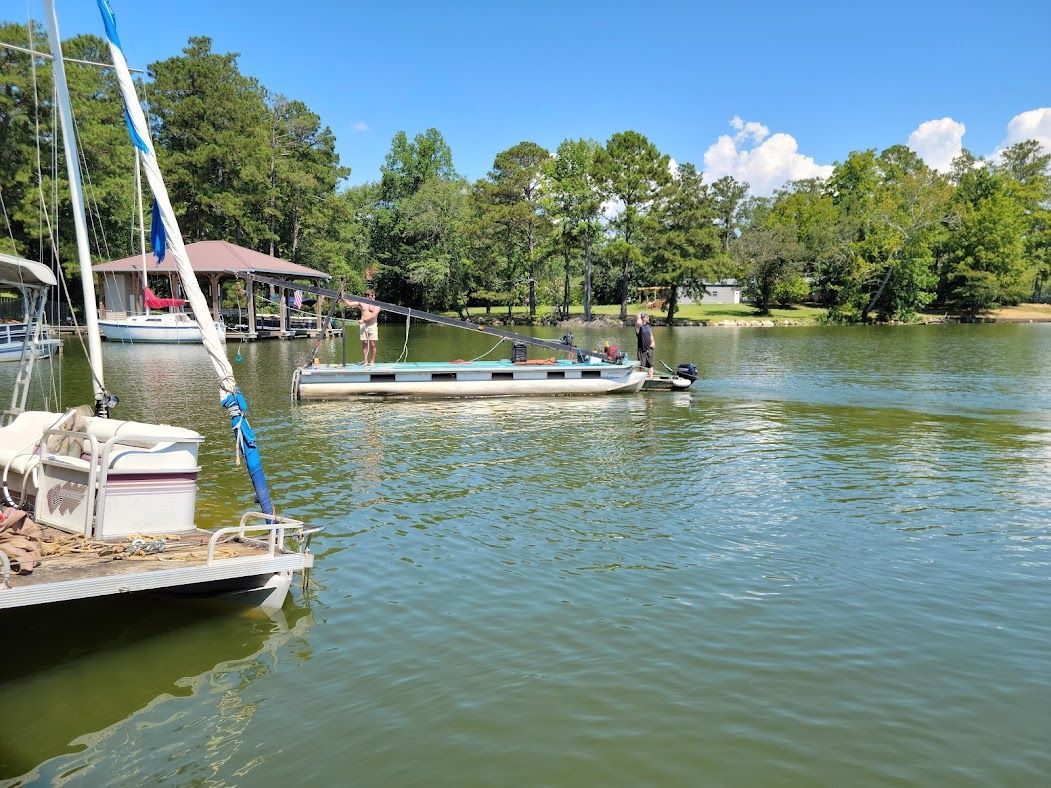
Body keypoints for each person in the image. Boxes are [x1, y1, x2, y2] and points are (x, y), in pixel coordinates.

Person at [343, 290, 381, 365]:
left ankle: (372, 361)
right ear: (367, 296)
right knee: (364, 343)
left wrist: (364, 320)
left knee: (373, 344)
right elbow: (350, 304)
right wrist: (344, 298)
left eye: (374, 295)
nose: (373, 297)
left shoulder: (377, 305)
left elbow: (373, 315)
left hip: (372, 325)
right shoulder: (362, 303)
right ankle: (365, 361)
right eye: (371, 295)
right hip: (363, 326)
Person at [635, 312, 655, 378]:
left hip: (649, 349)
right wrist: (639, 316)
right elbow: (638, 323)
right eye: (647, 317)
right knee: (641, 365)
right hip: (641, 350)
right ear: (643, 318)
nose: (648, 318)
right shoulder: (639, 327)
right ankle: (641, 379)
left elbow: (651, 335)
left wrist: (653, 342)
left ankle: (651, 378)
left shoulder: (648, 326)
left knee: (650, 365)